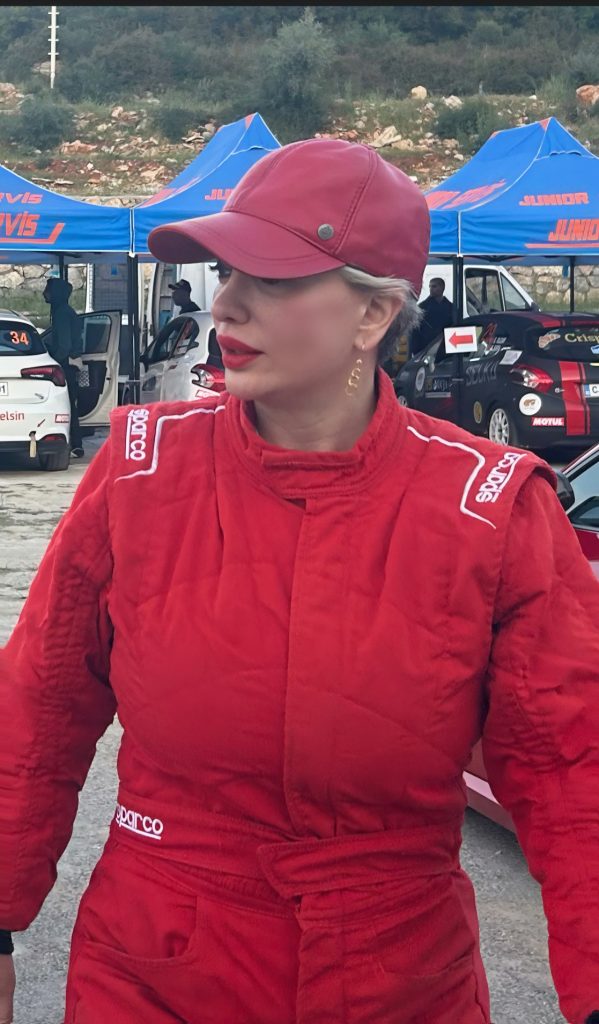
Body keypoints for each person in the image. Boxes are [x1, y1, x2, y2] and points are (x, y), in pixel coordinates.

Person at [0, 139, 598, 1024]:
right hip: (157, 967)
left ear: (373, 314)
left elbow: (571, 769)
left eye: (270, 279)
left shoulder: (489, 506)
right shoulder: (139, 472)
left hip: (400, 978)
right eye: (224, 271)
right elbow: (37, 712)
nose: (226, 303)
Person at [42, 276, 84, 458]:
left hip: (65, 365)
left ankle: (75, 444)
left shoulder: (61, 314)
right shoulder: (66, 311)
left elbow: (64, 345)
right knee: (71, 404)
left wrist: (55, 361)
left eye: (47, 290)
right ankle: (76, 444)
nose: (44, 294)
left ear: (56, 293)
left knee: (67, 405)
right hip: (70, 363)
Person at [410, 275, 454, 356]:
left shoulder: (451, 307)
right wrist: (416, 350)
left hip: (446, 348)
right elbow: (416, 330)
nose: (431, 289)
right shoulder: (422, 307)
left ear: (442, 288)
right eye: (430, 286)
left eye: (434, 286)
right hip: (426, 348)